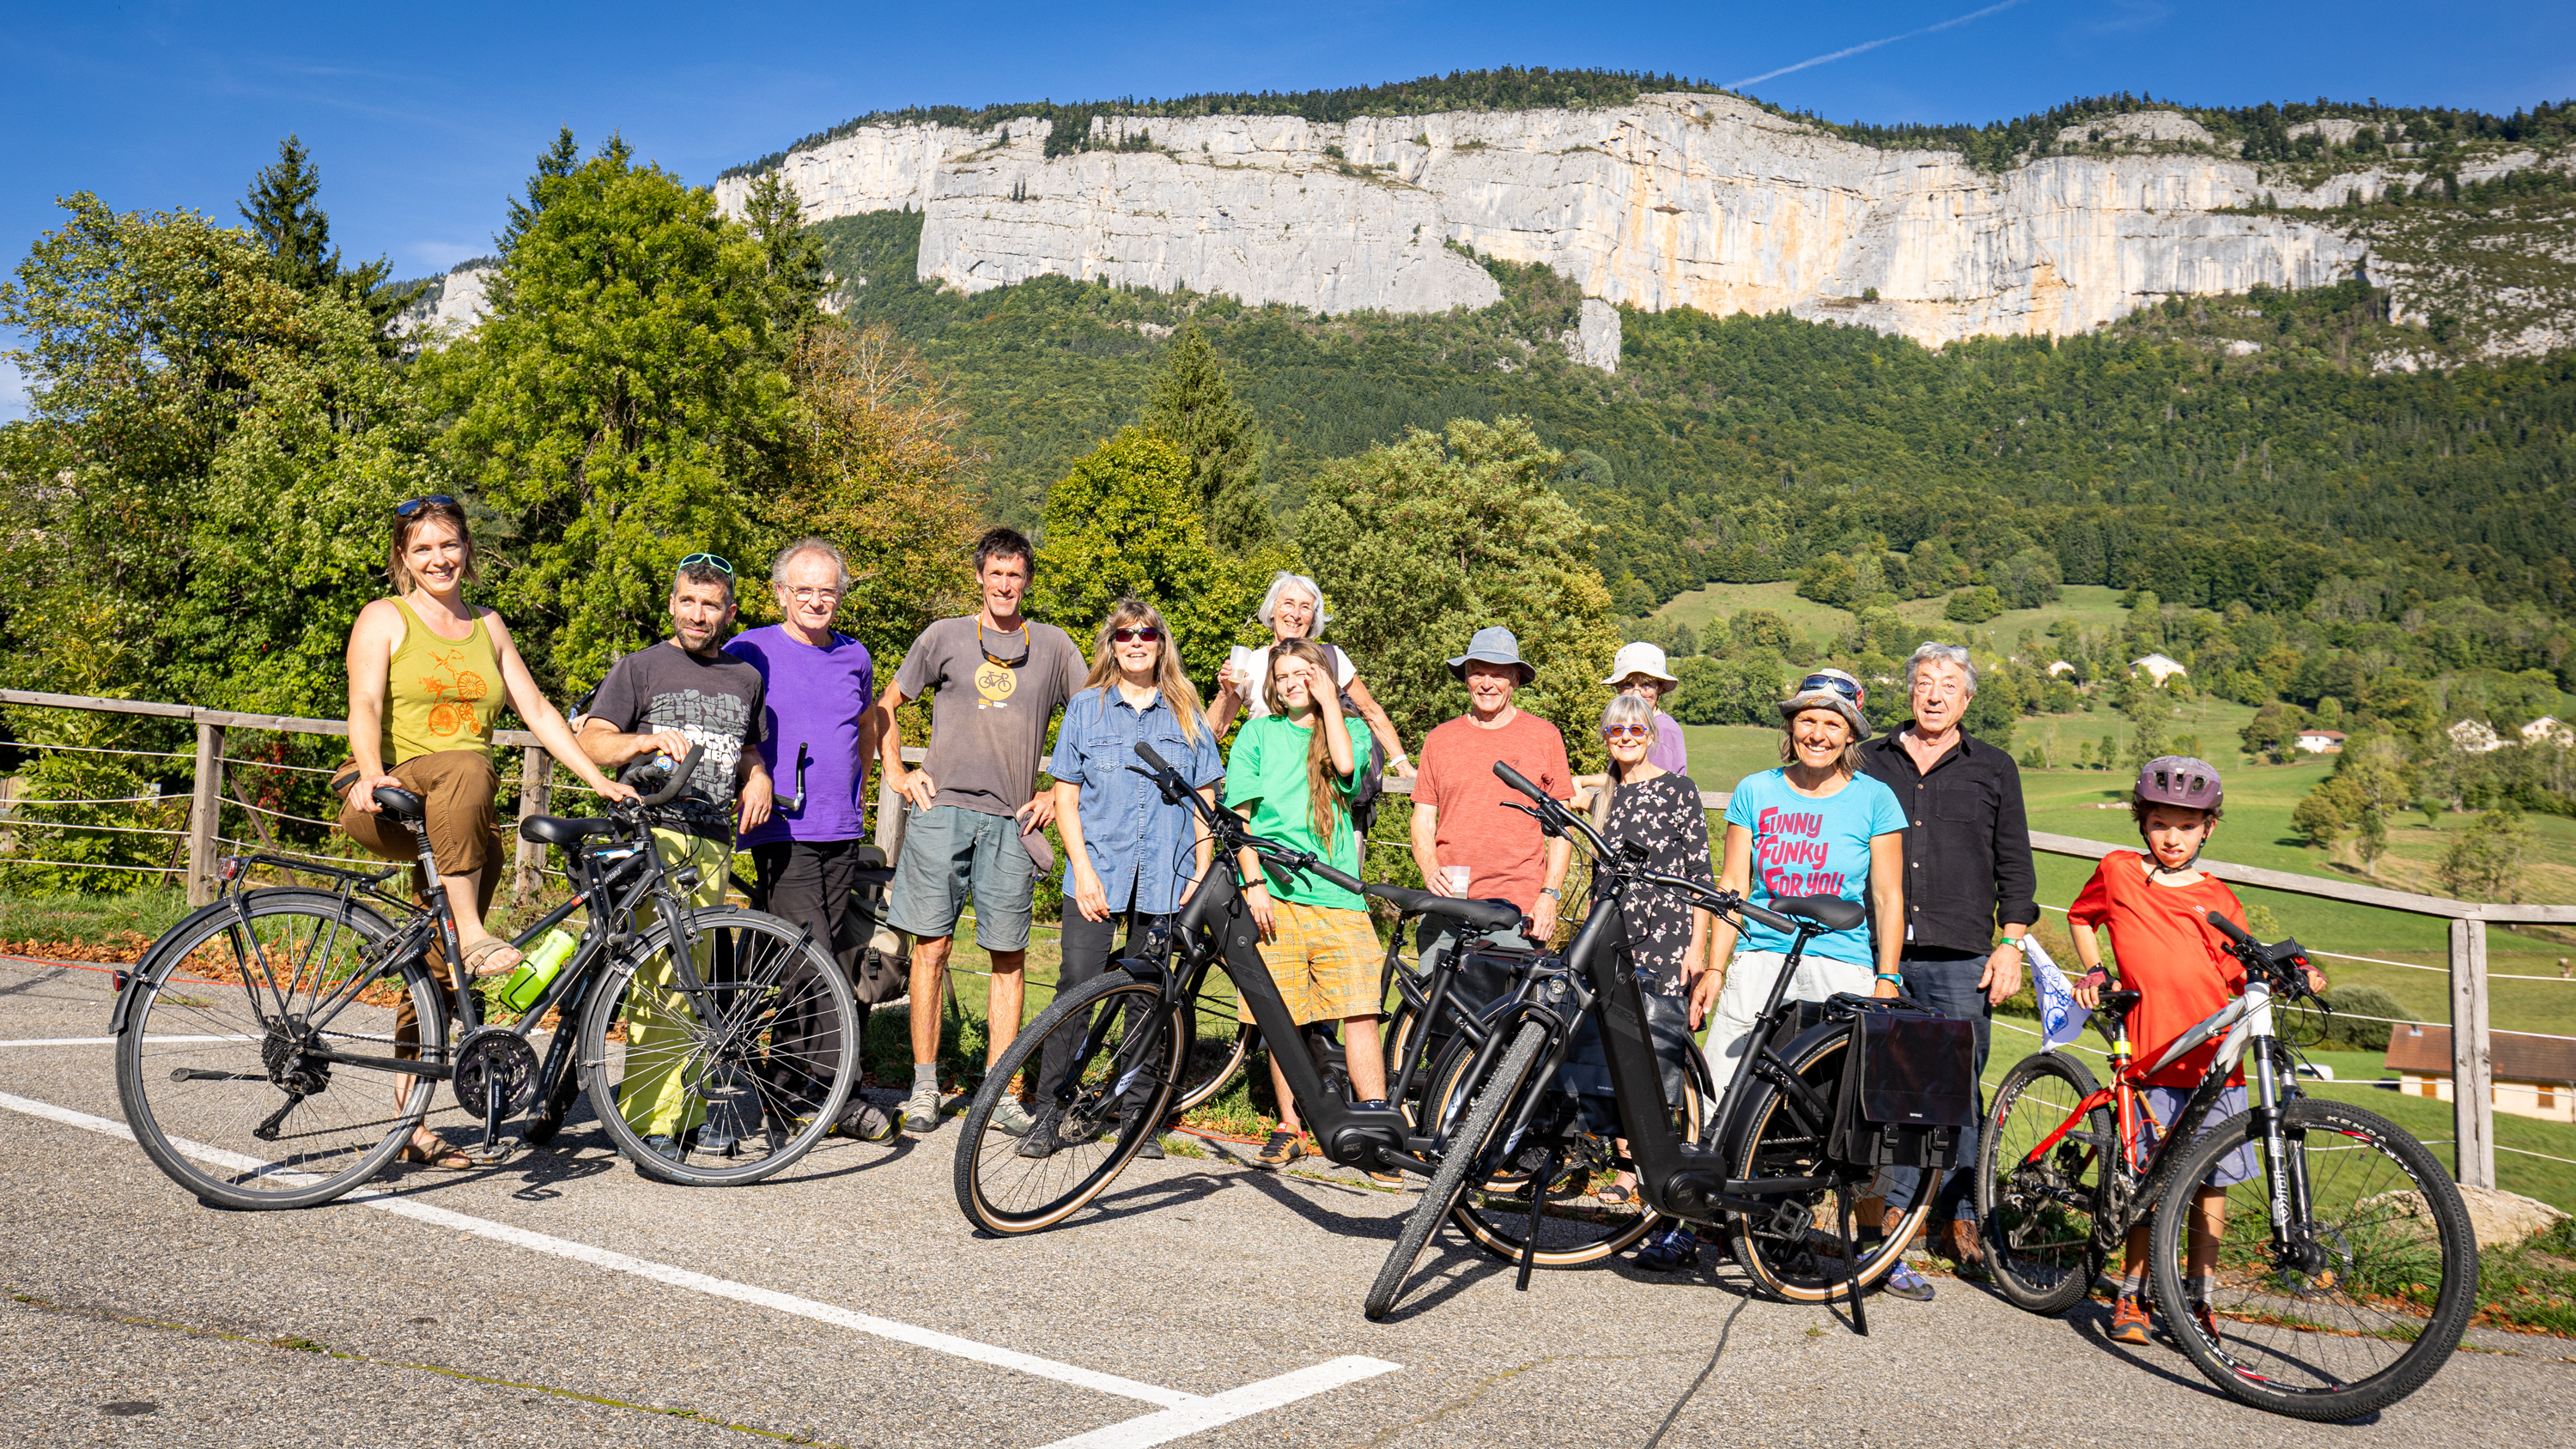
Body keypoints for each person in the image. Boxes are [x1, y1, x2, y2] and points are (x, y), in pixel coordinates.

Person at [339, 494, 637, 1170]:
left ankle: (407, 1124)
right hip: (387, 796)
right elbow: (363, 702)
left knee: (435, 975)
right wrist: (370, 769)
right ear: (403, 559)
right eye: (422, 549)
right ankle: (475, 933)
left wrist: (597, 779)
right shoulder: (385, 618)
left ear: (467, 551)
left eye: (448, 546)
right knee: (471, 766)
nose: (438, 559)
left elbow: (536, 709)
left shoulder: (489, 626)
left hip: (458, 821)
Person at [2069, 757, 2328, 1346]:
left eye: (2187, 827)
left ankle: (2198, 1298)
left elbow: (2247, 961)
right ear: (2142, 822)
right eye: (2161, 824)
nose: (2173, 837)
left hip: (2215, 1063)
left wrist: (2300, 970)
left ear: (2208, 827)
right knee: (2147, 1182)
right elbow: (2083, 918)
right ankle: (2132, 1294)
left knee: (2213, 1184)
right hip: (2152, 1055)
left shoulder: (2218, 897)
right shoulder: (2117, 871)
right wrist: (2093, 966)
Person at [1692, 667, 1926, 1299]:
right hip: (1763, 955)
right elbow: (1734, 888)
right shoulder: (1755, 790)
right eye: (1807, 721)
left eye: (1832, 723)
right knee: (1721, 1089)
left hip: (1841, 962)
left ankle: (1798, 1231)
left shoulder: (1876, 799)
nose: (1818, 734)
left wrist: (1886, 975)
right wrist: (1716, 967)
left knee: (1825, 1108)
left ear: (1850, 733)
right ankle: (1694, 1222)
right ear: (1790, 728)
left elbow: (1887, 894)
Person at [871, 527, 1088, 1137]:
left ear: (1028, 582)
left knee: (1008, 956)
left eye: (1015, 575)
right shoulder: (943, 635)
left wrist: (1054, 792)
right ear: (979, 577)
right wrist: (896, 770)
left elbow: (1093, 719)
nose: (1004, 585)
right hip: (942, 814)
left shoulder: (1052, 646)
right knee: (931, 950)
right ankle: (922, 1088)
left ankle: (1001, 1094)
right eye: (995, 573)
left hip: (1013, 820)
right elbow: (885, 705)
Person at [577, 554, 775, 1161]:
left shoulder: (745, 678)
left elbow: (744, 749)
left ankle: (684, 1112)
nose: (698, 614)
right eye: (688, 601)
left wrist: (760, 775)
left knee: (695, 985)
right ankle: (649, 1121)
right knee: (658, 980)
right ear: (672, 604)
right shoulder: (641, 668)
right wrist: (644, 740)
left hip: (714, 838)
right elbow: (591, 739)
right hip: (652, 832)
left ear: (730, 612)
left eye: (710, 604)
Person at [1856, 641, 2038, 1273]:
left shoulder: (1993, 767)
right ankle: (1874, 1220)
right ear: (1909, 691)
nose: (1934, 694)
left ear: (1966, 699)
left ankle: (1960, 1215)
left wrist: (2010, 943)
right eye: (1924, 682)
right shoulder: (1868, 760)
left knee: (1956, 1091)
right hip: (1872, 947)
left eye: (1948, 685)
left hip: (1961, 954)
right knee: (1874, 1086)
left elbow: (2015, 862)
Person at [1022, 597, 1223, 1161]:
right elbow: (1065, 795)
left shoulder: (1187, 712)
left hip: (1167, 879)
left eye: (1148, 634)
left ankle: (1138, 1121)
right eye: (1126, 634)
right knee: (1075, 993)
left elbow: (1205, 798)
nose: (1137, 643)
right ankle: (1049, 1116)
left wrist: (1199, 873)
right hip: (1096, 877)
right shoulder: (1087, 709)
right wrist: (1081, 869)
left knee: (1149, 1000)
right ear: (1111, 645)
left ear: (1162, 645)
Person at [722, 538, 896, 1144]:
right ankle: (830, 1094)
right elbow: (726, 721)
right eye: (805, 589)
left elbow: (869, 725)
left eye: (828, 590)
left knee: (826, 961)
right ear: (780, 594)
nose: (818, 600)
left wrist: (860, 786)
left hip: (840, 827)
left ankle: (792, 1085)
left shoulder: (855, 656)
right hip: (783, 828)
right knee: (812, 960)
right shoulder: (750, 650)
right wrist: (751, 776)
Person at [1224, 639, 1390, 1169]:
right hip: (1276, 895)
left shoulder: (1352, 730)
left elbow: (1345, 770)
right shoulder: (1257, 733)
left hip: (1338, 894)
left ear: (1323, 678)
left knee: (1360, 1012)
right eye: (1285, 674)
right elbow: (1242, 819)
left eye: (1306, 673)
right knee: (1284, 1017)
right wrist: (1254, 884)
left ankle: (1373, 1122)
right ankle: (1291, 1124)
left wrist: (1329, 704)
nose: (1294, 682)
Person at [1577, 691, 1714, 1271]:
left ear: (1652, 733)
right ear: (1606, 737)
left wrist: (1699, 947)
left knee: (1657, 1056)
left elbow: (1701, 873)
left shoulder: (1678, 790)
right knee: (1608, 1050)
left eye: (1636, 729)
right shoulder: (1604, 794)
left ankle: (1660, 1177)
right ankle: (1626, 1166)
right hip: (1611, 935)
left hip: (1666, 936)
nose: (1626, 737)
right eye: (1615, 731)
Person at [1410, 627, 1574, 970]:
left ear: (1515, 679)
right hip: (1448, 902)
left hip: (1516, 909)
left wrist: (1549, 895)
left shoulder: (1544, 737)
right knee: (1432, 1008)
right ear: (1466, 677)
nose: (1487, 683)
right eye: (1478, 672)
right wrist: (1429, 868)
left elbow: (1561, 830)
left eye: (1498, 674)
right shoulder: (1440, 739)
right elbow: (1423, 818)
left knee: (1504, 1017)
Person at [1207, 571, 1415, 778]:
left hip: (1322, 780)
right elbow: (1213, 735)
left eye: (1305, 607)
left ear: (1313, 618)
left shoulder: (1331, 659)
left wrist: (1401, 764)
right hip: (1269, 780)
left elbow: (1371, 711)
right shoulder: (1249, 663)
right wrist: (1224, 693)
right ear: (1272, 610)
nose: (1296, 614)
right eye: (1288, 603)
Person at [1602, 641, 1689, 776]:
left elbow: (1650, 786)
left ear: (1659, 687)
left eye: (1646, 685)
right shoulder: (1628, 725)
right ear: (1617, 687)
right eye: (1628, 685)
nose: (1637, 694)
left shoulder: (1662, 731)